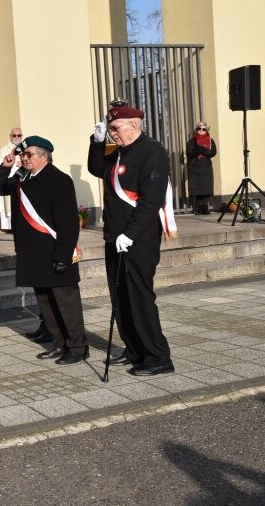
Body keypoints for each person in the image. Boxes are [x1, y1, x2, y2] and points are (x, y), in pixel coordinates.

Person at [88, 105, 175, 376]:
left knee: (139, 297)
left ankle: (158, 357)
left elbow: (150, 201)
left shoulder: (152, 152)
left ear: (134, 126)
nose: (113, 134)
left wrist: (130, 234)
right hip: (115, 236)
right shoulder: (119, 151)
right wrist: (96, 142)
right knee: (120, 297)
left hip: (139, 238)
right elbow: (97, 169)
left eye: (115, 129)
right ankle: (134, 348)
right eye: (110, 130)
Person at [0, 136, 88, 364]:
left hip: (55, 251)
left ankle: (77, 346)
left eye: (29, 155)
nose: (24, 159)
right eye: (22, 155)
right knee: (45, 302)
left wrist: (64, 255)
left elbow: (67, 222)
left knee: (66, 303)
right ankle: (58, 344)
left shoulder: (58, 180)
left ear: (44, 156)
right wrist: (5, 167)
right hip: (33, 252)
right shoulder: (23, 178)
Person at [185, 121, 217, 215]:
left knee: (206, 188)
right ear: (196, 130)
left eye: (203, 129)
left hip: (206, 167)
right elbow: (189, 153)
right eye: (199, 129)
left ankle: (205, 207)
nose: (201, 131)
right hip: (195, 167)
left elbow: (212, 153)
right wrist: (198, 149)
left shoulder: (210, 140)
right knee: (197, 188)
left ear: (206, 130)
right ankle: (198, 208)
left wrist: (202, 149)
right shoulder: (191, 141)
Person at [0, 127, 24, 231]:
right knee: (10, 202)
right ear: (10, 136)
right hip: (11, 179)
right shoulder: (4, 149)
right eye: (14, 135)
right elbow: (1, 165)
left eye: (19, 135)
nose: (16, 137)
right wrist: (16, 166)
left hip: (23, 179)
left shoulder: (26, 148)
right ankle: (9, 226)